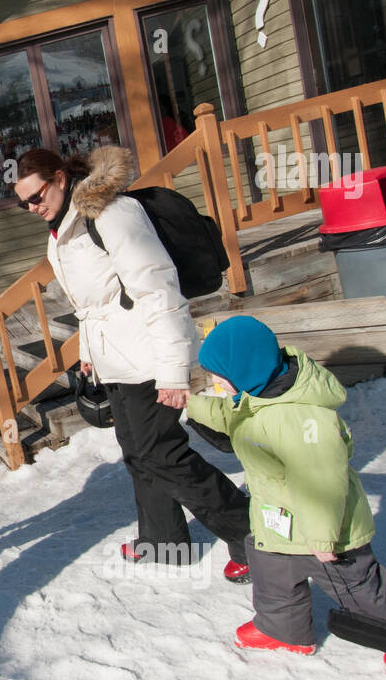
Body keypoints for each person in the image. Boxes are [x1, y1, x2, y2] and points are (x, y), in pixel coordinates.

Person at [13, 145, 251, 581]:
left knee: (163, 454)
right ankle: (164, 541)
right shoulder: (63, 231)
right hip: (114, 359)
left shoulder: (113, 214)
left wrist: (175, 370)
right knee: (138, 455)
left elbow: (158, 288)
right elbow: (93, 303)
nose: (33, 206)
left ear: (61, 178)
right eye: (24, 201)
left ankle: (254, 535)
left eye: (38, 194)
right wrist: (88, 353)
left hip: (149, 355)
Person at [188, 316, 386, 672]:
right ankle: (282, 630)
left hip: (323, 531)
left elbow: (324, 481)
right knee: (271, 572)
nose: (212, 381)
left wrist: (322, 536)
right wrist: (190, 404)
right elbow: (232, 418)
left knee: (362, 591)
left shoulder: (306, 421)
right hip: (278, 525)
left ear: (244, 368)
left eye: (217, 373)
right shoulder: (256, 397)